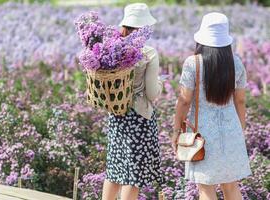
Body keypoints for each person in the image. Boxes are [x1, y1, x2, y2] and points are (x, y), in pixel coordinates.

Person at [172, 12, 252, 200]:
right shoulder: (236, 63)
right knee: (231, 186)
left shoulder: (193, 63)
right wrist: (240, 129)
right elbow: (240, 100)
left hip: (203, 133)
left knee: (206, 188)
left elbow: (184, 100)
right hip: (231, 130)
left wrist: (176, 130)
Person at [102, 3, 164, 200]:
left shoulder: (110, 50)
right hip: (139, 118)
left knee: (114, 171)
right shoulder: (148, 52)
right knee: (132, 177)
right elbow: (152, 93)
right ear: (144, 27)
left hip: (117, 115)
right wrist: (161, 83)